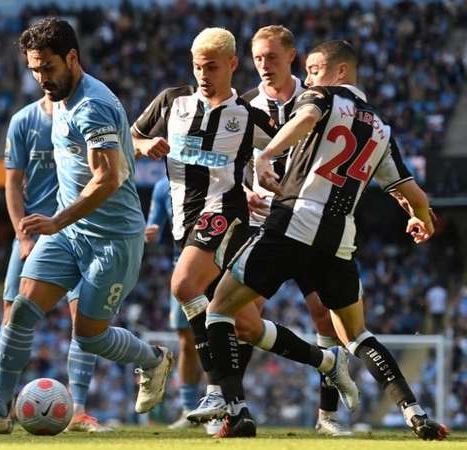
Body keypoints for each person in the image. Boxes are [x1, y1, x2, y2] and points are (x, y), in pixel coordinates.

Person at [204, 39, 449, 441]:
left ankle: (236, 411)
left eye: (316, 69)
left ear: (340, 72)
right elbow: (412, 193)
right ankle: (415, 412)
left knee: (219, 309)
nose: (310, 76)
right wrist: (421, 221)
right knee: (356, 335)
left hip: (292, 221)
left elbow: (303, 121)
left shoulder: (321, 97)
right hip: (338, 238)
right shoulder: (381, 130)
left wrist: (265, 157)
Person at [131, 28, 357, 437]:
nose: (203, 74)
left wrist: (266, 185)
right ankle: (325, 364)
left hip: (227, 217)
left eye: (212, 67)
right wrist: (143, 147)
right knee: (246, 327)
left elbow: (291, 162)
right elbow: (131, 138)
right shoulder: (172, 101)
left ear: (231, 66)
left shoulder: (249, 116)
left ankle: (219, 392)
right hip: (187, 225)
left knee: (183, 285)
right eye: (197, 66)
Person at [0, 17, 174, 434]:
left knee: (89, 336)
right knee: (20, 312)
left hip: (112, 240)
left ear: (72, 57)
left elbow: (108, 177)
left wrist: (56, 219)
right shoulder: (60, 101)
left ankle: (154, 360)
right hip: (70, 234)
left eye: (47, 68)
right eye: (34, 69)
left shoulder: (93, 106)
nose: (40, 78)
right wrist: (60, 224)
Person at [234, 25, 350, 436]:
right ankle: (236, 409)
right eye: (258, 58)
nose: (264, 66)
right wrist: (244, 189)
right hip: (265, 223)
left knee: (324, 313)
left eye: (272, 57)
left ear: (292, 58)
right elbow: (235, 161)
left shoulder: (318, 99)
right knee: (246, 314)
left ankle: (327, 418)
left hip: (310, 221)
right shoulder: (244, 105)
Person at [0, 95, 112, 432]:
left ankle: (77, 410)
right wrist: (23, 238)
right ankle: (1, 408)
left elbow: (106, 173)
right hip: (34, 233)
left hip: (80, 233)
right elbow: (12, 183)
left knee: (84, 320)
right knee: (12, 314)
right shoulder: (23, 120)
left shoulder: (87, 114)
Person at [144, 176, 211, 433]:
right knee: (187, 342)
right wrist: (148, 233)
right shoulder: (162, 186)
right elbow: (155, 228)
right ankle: (188, 409)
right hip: (181, 271)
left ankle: (223, 403)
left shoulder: (213, 174)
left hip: (216, 270)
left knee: (221, 336)